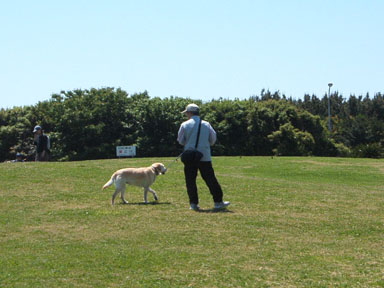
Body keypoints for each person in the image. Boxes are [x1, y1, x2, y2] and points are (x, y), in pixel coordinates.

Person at [177, 103, 230, 211]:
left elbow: (181, 141)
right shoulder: (206, 124)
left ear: (190, 113)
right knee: (210, 179)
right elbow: (213, 140)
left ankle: (193, 204)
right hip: (204, 156)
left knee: (190, 180)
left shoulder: (184, 125)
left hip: (190, 156)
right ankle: (218, 202)